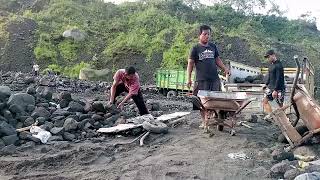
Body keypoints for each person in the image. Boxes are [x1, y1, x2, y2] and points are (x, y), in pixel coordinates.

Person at [187, 25, 230, 127]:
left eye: (208, 34)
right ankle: (204, 121)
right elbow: (190, 64)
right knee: (201, 103)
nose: (207, 36)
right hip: (201, 80)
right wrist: (188, 78)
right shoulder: (195, 48)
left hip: (214, 79)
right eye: (204, 34)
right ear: (199, 35)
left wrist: (225, 68)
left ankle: (212, 118)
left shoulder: (213, 46)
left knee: (215, 101)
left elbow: (217, 60)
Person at [262, 49, 285, 118]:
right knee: (265, 101)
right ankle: (272, 116)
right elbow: (270, 76)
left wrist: (276, 90)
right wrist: (266, 84)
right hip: (271, 88)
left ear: (273, 55)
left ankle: (284, 120)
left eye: (268, 57)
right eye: (267, 57)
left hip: (278, 89)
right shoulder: (271, 65)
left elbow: (279, 78)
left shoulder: (279, 65)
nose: (268, 59)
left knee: (280, 105)